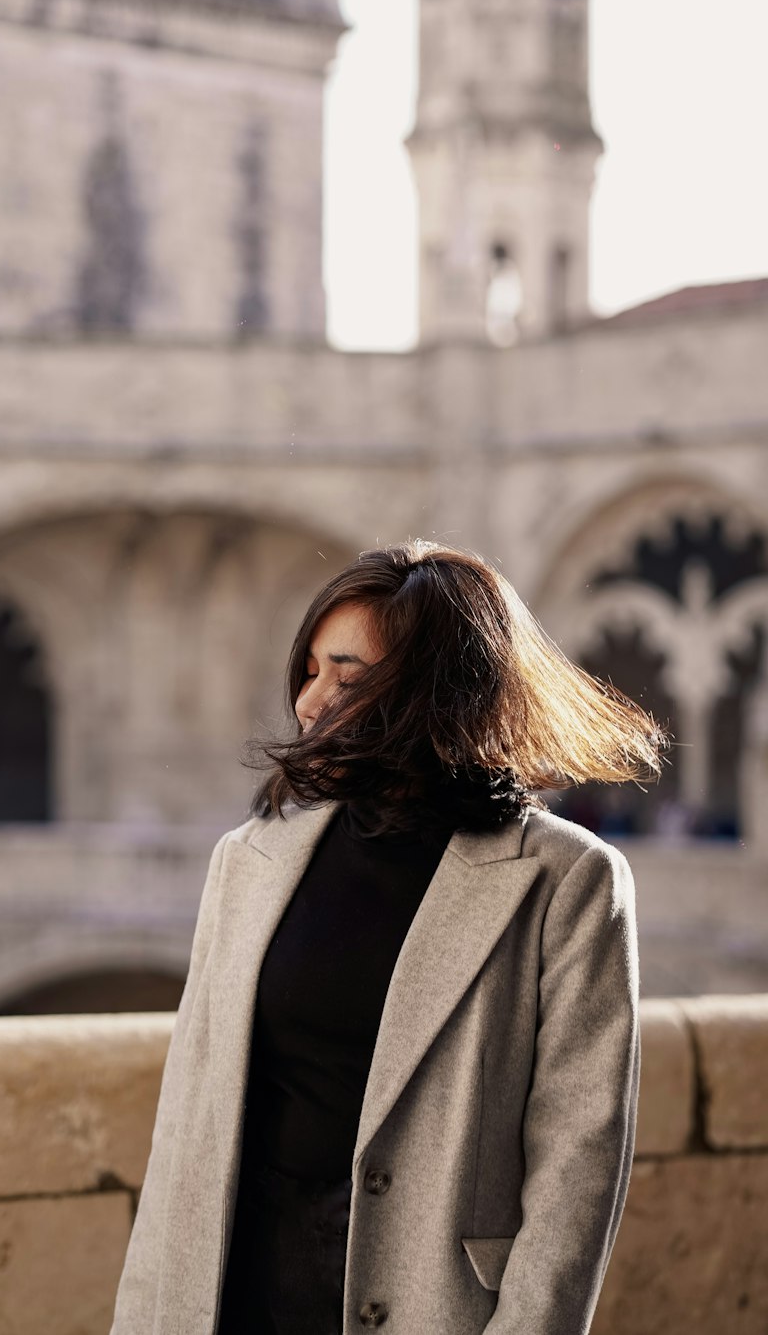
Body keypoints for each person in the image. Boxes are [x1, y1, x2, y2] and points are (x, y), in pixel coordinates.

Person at [111, 541, 663, 1335]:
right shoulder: (250, 861)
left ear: (443, 691)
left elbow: (579, 1164)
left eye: (351, 676)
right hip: (232, 1300)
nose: (310, 702)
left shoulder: (567, 881)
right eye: (310, 670)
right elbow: (184, 1128)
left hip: (433, 1308)